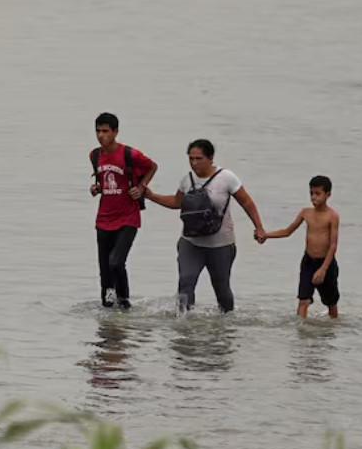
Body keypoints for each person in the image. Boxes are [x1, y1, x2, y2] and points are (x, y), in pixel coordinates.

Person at [143, 139, 266, 313]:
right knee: (186, 281)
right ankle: (184, 326)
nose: (194, 163)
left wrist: (259, 227)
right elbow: (176, 202)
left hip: (221, 245)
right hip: (191, 243)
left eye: (198, 158)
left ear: (210, 158)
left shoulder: (226, 178)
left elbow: (247, 203)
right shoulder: (187, 180)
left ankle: (227, 326)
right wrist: (151, 195)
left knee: (221, 288)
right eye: (191, 159)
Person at [89, 112, 157, 309]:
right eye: (98, 131)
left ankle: (125, 303)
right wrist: (97, 188)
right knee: (105, 270)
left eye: (105, 131)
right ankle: (108, 317)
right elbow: (104, 181)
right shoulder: (94, 155)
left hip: (128, 217)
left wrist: (142, 187)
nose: (101, 135)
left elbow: (153, 166)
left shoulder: (130, 154)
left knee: (116, 263)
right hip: (104, 218)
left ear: (115, 132)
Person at [261, 175, 341, 318]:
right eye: (311, 193)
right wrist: (266, 235)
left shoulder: (332, 216)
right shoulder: (306, 213)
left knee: (331, 302)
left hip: (326, 264)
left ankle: (333, 332)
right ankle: (301, 335)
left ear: (328, 195)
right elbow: (287, 231)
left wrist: (323, 269)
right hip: (309, 262)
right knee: (303, 300)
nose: (313, 197)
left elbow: (333, 245)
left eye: (318, 194)